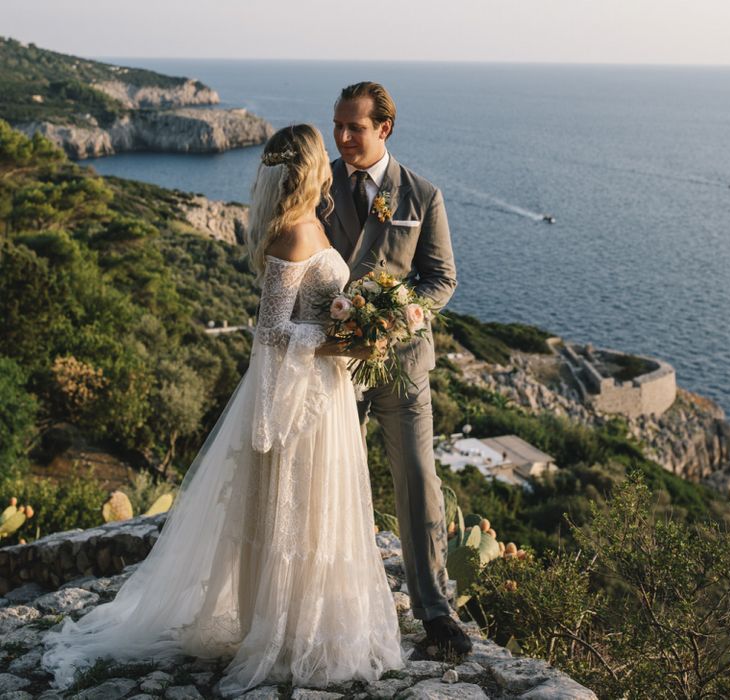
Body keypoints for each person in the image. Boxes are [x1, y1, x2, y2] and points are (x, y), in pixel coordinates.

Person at [40, 124, 404, 696]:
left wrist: (357, 324)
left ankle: (314, 623)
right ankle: (281, 631)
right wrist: (340, 342)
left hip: (323, 392)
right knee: (296, 508)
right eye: (323, 155)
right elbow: (270, 332)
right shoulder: (292, 236)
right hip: (299, 399)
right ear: (311, 167)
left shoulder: (312, 222)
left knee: (322, 507)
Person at [325, 82, 471, 654]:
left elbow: (441, 278)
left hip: (402, 362)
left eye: (353, 128)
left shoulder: (422, 196)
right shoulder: (321, 185)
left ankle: (434, 610)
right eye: (337, 125)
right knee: (331, 477)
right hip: (335, 362)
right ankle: (331, 600)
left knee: (417, 479)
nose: (341, 138)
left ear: (385, 128)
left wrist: (404, 315)